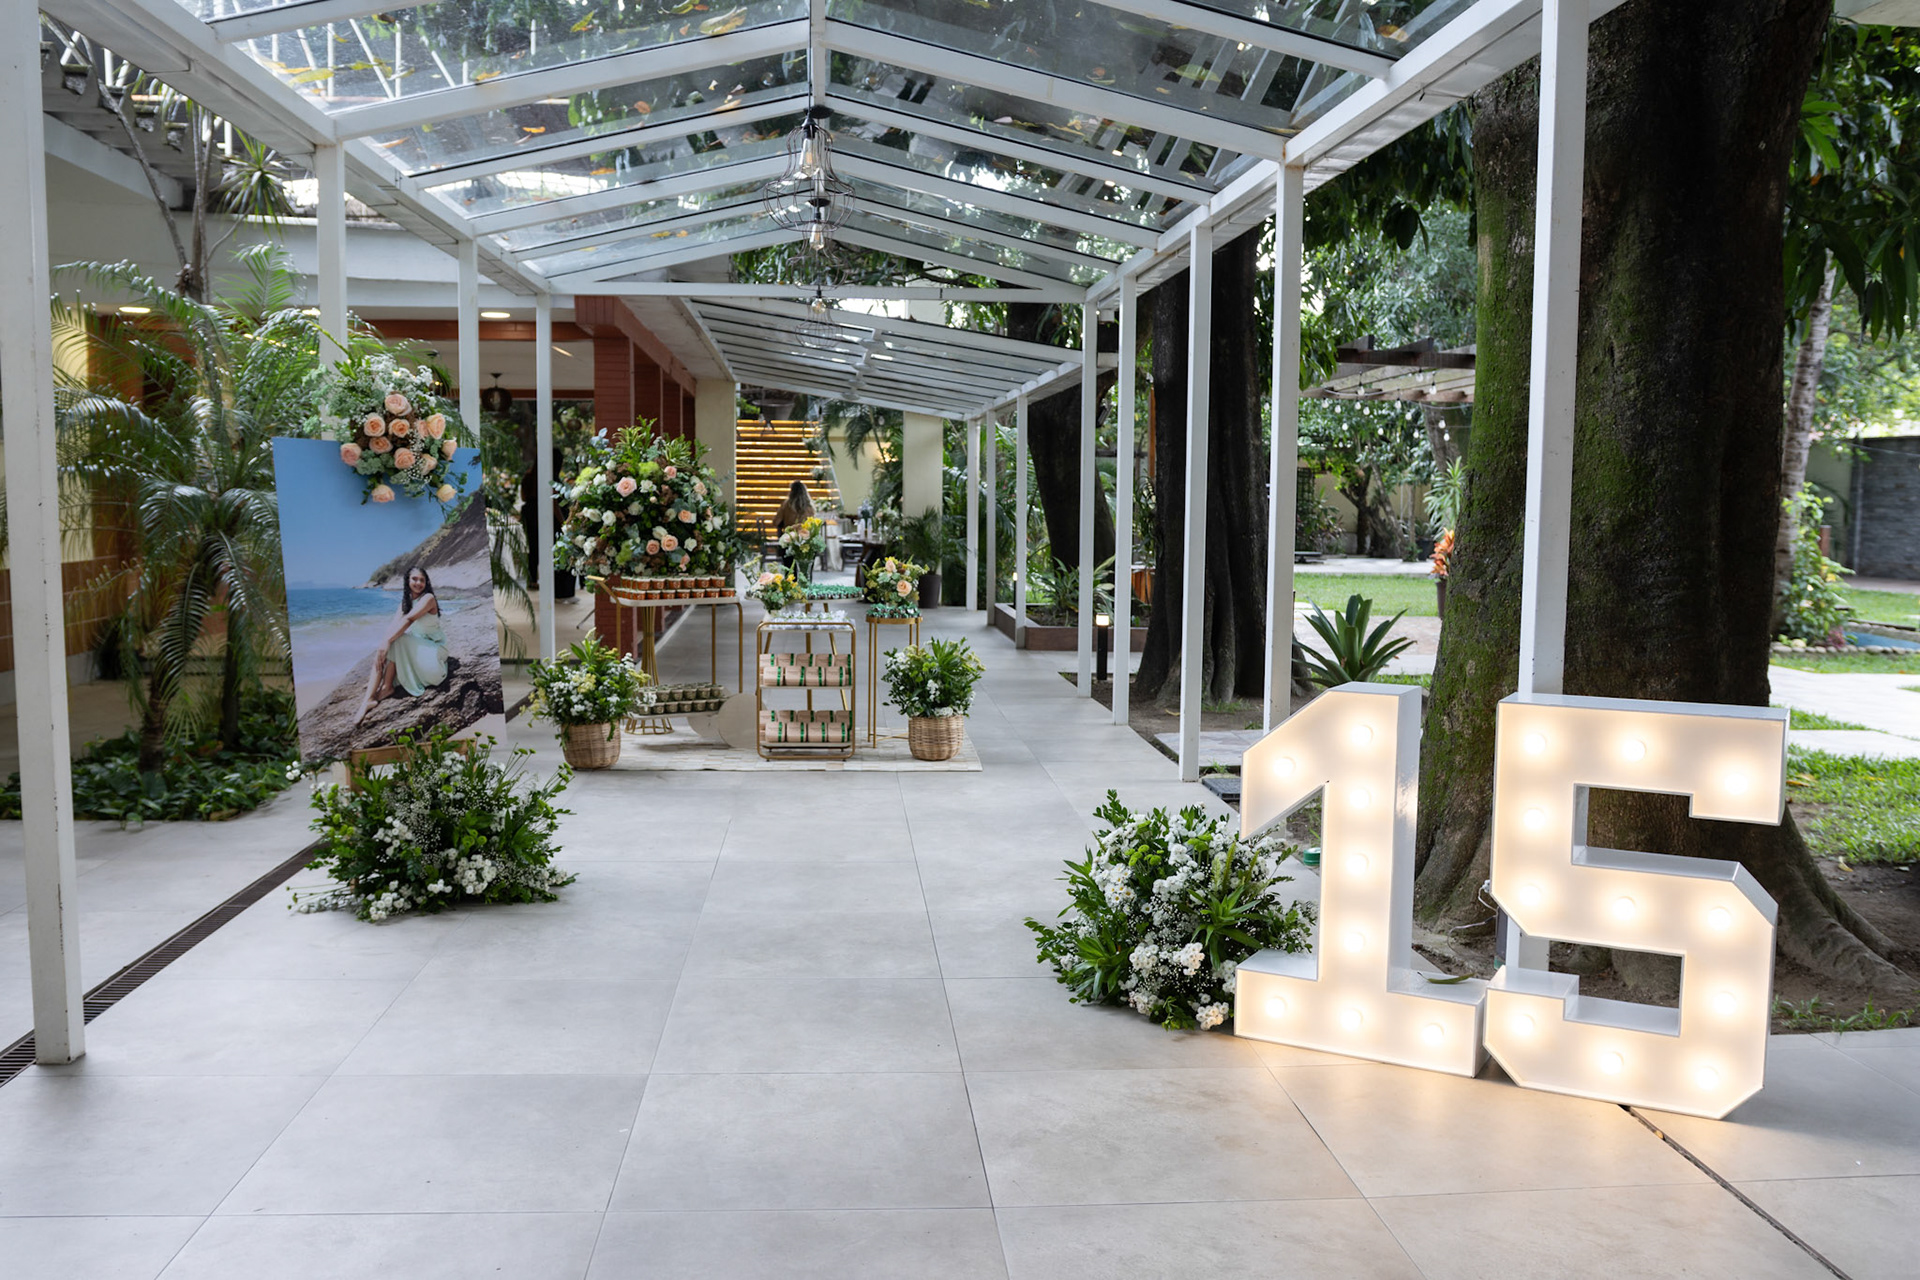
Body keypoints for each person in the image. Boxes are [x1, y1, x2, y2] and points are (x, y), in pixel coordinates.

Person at [353, 566, 450, 726]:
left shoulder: (428, 598)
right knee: (389, 643)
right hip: (421, 650)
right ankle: (376, 692)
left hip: (435, 654)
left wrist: (387, 641)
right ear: (407, 581)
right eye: (414, 579)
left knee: (396, 640)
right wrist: (383, 644)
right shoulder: (406, 602)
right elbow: (393, 625)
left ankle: (379, 692)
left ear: (426, 583)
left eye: (422, 580)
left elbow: (409, 619)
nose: (418, 583)